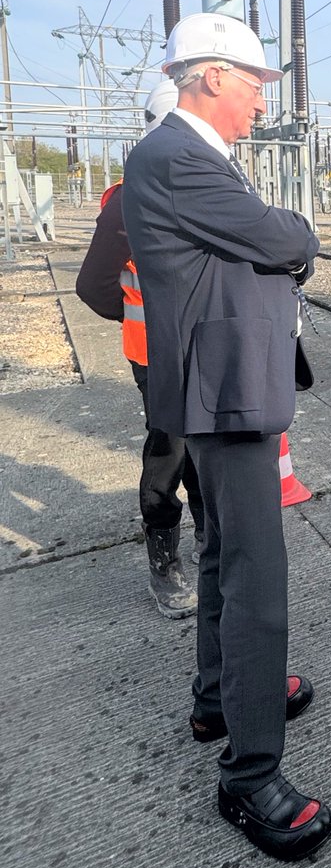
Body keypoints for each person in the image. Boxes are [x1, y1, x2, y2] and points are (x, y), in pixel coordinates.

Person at [122, 13, 331, 863]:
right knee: (256, 580)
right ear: (211, 75)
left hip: (220, 386)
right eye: (253, 84)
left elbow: (252, 246)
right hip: (228, 393)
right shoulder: (179, 155)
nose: (260, 102)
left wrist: (275, 247)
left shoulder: (186, 155)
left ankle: (219, 698)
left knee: (221, 555)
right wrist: (296, 241)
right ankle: (250, 775)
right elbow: (281, 237)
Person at [76, 79, 204, 619]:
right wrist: (137, 316)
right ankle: (165, 563)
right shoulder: (130, 199)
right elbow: (93, 285)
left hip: (205, 347)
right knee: (170, 451)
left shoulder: (204, 183)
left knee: (207, 449)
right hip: (156, 354)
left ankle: (211, 542)